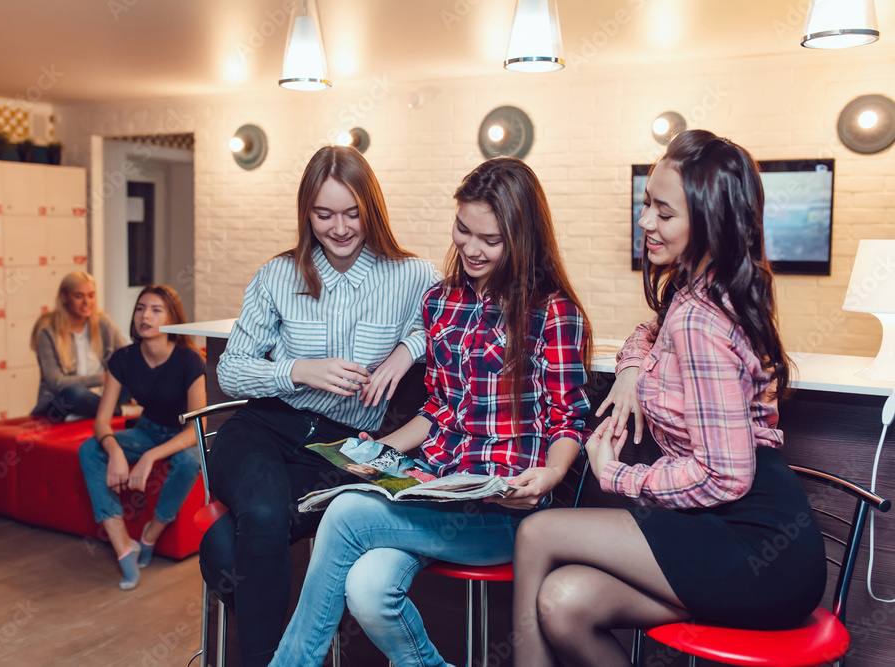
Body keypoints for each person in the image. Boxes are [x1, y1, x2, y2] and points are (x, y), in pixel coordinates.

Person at [511, 130, 828, 666]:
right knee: (564, 602)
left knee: (539, 531)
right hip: (728, 533)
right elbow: (647, 331)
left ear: (710, 219)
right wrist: (631, 372)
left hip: (756, 546)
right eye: (646, 205)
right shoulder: (700, 292)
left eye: (663, 212)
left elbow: (727, 476)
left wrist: (617, 478)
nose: (645, 222)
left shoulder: (701, 319)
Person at [269, 156, 593, 667]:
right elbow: (441, 408)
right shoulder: (441, 301)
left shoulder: (552, 311)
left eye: (491, 239)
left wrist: (548, 475)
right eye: (463, 230)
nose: (471, 248)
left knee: (348, 512)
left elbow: (568, 418)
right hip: (435, 489)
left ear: (522, 238)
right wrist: (379, 448)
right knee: (369, 587)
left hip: (502, 511)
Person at [199, 145, 440, 667]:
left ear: (371, 208)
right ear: (306, 212)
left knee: (226, 544)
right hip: (264, 426)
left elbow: (443, 324)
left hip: (338, 447)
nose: (339, 227)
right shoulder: (279, 275)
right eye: (324, 214)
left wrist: (406, 351)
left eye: (352, 212)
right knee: (260, 513)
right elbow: (231, 369)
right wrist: (297, 369)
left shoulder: (413, 275)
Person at [78, 285, 206, 591]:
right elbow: (101, 421)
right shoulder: (122, 359)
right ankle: (123, 545)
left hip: (181, 436)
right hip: (146, 430)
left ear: (172, 318)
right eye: (140, 308)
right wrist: (114, 450)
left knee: (189, 462)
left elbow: (195, 430)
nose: (145, 316)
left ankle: (151, 533)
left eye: (156, 310)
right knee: (89, 450)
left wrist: (150, 457)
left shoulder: (189, 361)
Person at [30, 271, 129, 421]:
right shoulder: (48, 331)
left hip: (102, 396)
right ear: (64, 297)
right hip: (64, 404)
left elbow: (127, 359)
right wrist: (102, 379)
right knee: (74, 392)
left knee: (136, 376)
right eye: (78, 296)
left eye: (91, 295)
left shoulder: (104, 323)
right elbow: (56, 382)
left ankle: (106, 410)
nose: (86, 302)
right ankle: (114, 412)